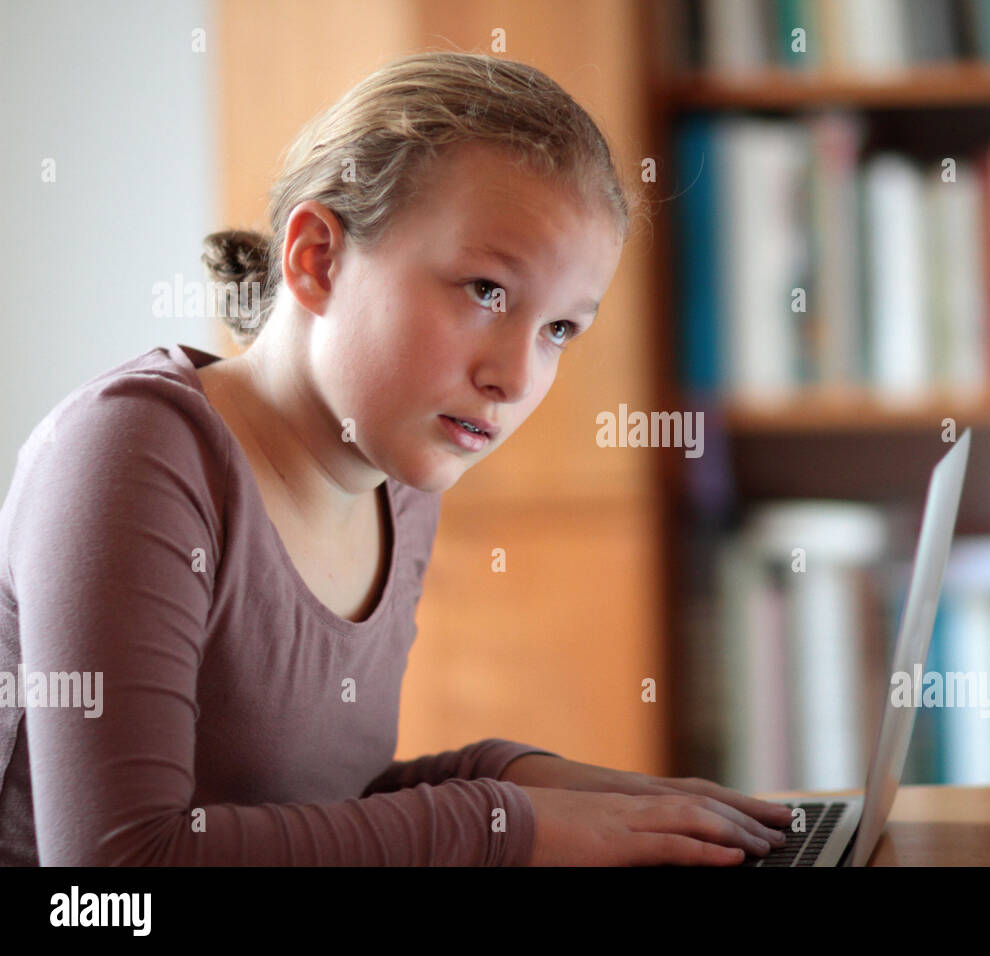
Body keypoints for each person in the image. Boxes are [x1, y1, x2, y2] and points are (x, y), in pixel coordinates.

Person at [0, 50, 791, 865]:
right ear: (317, 259)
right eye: (486, 290)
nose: (515, 378)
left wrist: (537, 784)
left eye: (560, 330)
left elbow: (314, 814)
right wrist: (506, 824)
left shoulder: (397, 479)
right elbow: (110, 876)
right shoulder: (131, 453)